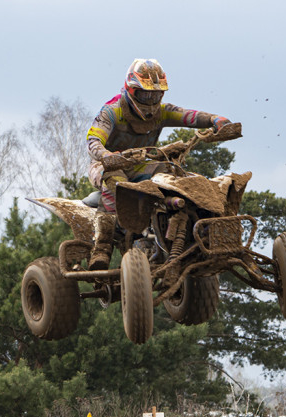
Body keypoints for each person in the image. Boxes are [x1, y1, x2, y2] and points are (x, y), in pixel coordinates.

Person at [85, 58, 231, 270]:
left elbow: (189, 116)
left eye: (155, 94)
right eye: (145, 94)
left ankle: (182, 231)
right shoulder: (111, 111)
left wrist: (215, 120)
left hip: (140, 165)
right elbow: (93, 140)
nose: (150, 99)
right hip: (106, 165)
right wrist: (107, 155)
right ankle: (102, 247)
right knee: (116, 182)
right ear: (131, 90)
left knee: (171, 173)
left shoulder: (162, 112)